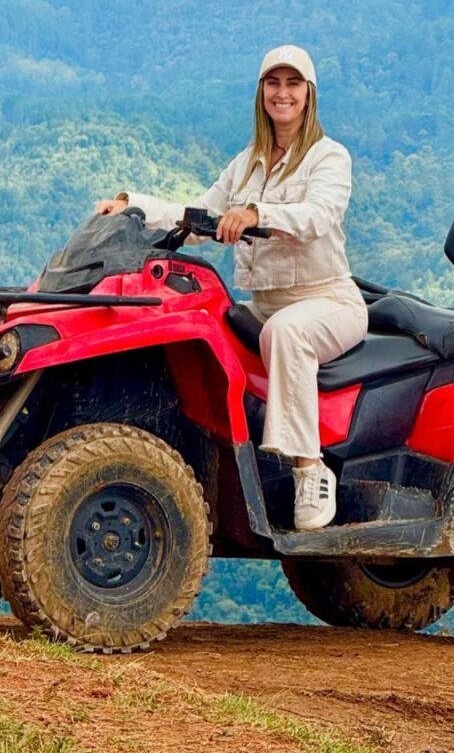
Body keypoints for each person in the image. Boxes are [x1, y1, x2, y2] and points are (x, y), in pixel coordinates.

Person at [96, 45, 367, 530]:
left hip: (327, 301)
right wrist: (131, 206)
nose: (282, 93)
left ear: (309, 95)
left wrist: (259, 214)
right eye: (273, 84)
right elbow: (199, 218)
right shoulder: (247, 164)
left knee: (288, 334)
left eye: (293, 84)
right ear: (261, 92)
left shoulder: (329, 158)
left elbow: (318, 216)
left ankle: (309, 468)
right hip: (264, 304)